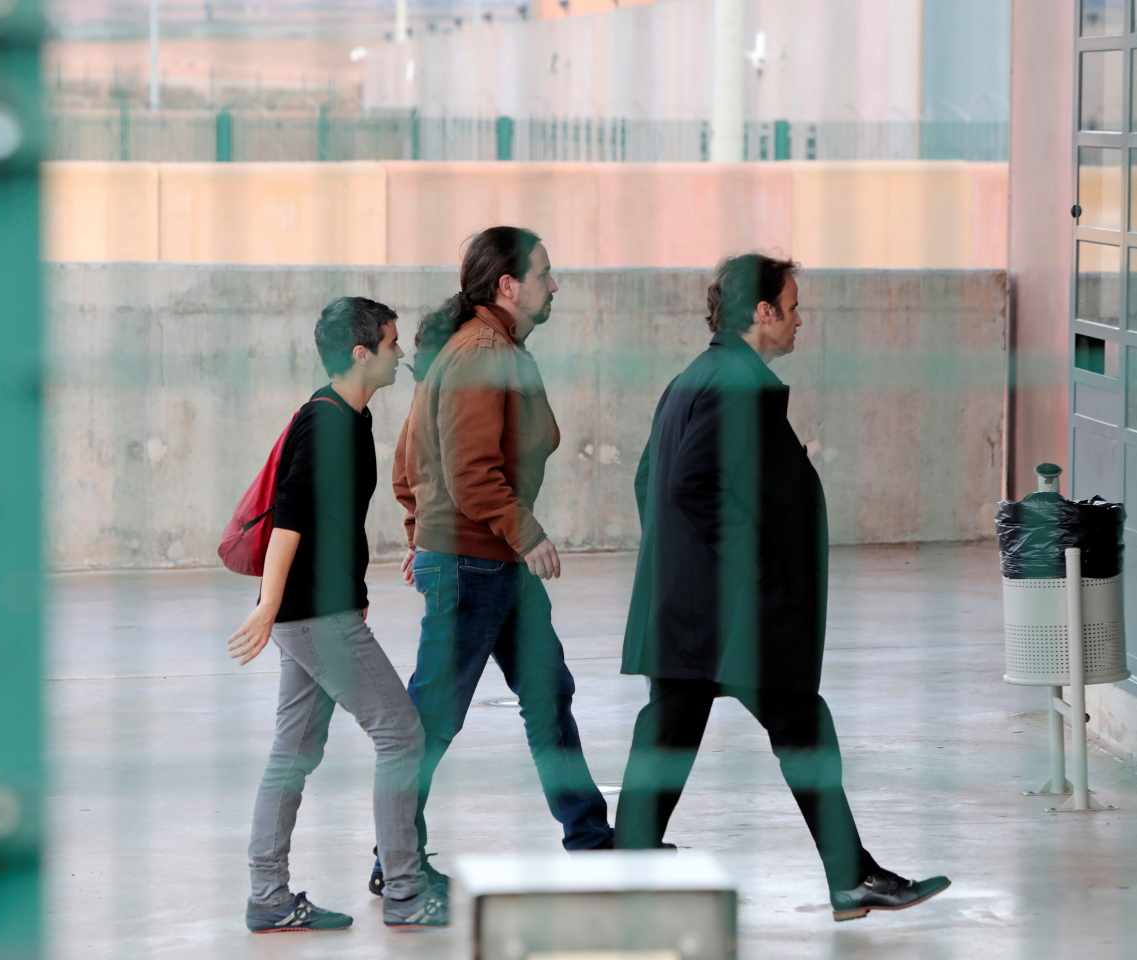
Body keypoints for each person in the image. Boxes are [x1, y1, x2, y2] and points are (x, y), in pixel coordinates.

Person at [613, 254, 951, 922]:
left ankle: (627, 878)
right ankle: (850, 878)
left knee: (680, 736)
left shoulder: (695, 376)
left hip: (693, 610)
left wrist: (683, 567)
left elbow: (650, 475)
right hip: (733, 615)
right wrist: (749, 572)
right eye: (792, 307)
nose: (800, 320)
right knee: (786, 729)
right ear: (761, 313)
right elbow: (689, 486)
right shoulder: (739, 384)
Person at [368, 226, 615, 897]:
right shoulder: (479, 352)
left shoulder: (479, 347)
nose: (555, 285)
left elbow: (408, 461)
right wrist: (521, 532)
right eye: (545, 273)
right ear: (508, 284)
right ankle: (395, 859)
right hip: (481, 560)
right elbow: (471, 473)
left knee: (547, 694)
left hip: (485, 557)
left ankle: (591, 839)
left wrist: (424, 531)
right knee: (435, 715)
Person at [228, 297, 447, 932]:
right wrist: (268, 607)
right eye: (392, 342)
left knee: (293, 751)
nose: (400, 352)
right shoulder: (327, 423)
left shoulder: (348, 419)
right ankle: (405, 890)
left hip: (322, 609)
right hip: (314, 615)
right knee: (401, 735)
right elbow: (290, 523)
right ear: (361, 353)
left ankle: (269, 898)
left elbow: (331, 523)